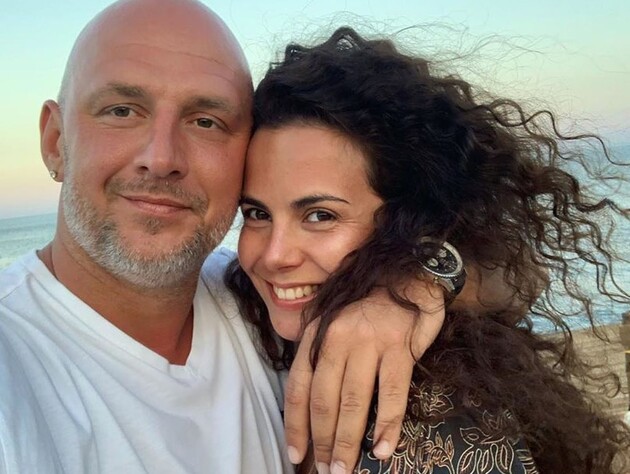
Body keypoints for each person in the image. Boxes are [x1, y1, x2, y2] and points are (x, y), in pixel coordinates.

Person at [0, 2, 449, 473]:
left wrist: (416, 282)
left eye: (205, 121)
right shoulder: (15, 371)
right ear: (55, 141)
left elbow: (498, 274)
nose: (161, 158)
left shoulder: (260, 299)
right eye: (122, 110)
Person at [225, 27, 630, 473]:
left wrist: (413, 287)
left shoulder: (425, 422)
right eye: (256, 213)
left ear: (408, 218)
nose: (275, 255)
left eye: (320, 215)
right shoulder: (235, 305)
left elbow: (523, 274)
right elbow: (522, 274)